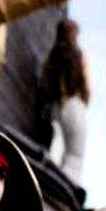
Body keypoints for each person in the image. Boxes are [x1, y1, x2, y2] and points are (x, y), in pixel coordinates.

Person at [39, 18, 90, 183]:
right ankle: (67, 187)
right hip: (74, 105)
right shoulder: (79, 56)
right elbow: (87, 86)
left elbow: (45, 82)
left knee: (57, 143)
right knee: (75, 155)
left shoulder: (53, 56)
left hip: (57, 106)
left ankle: (49, 178)